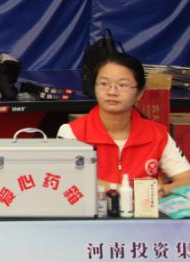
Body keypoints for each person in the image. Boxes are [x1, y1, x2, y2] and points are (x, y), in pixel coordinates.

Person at [57, 52, 189, 195]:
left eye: (122, 85)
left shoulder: (158, 134)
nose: (112, 92)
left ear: (140, 93)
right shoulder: (72, 132)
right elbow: (64, 177)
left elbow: (186, 179)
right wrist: (122, 191)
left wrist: (162, 190)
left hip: (144, 208)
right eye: (104, 84)